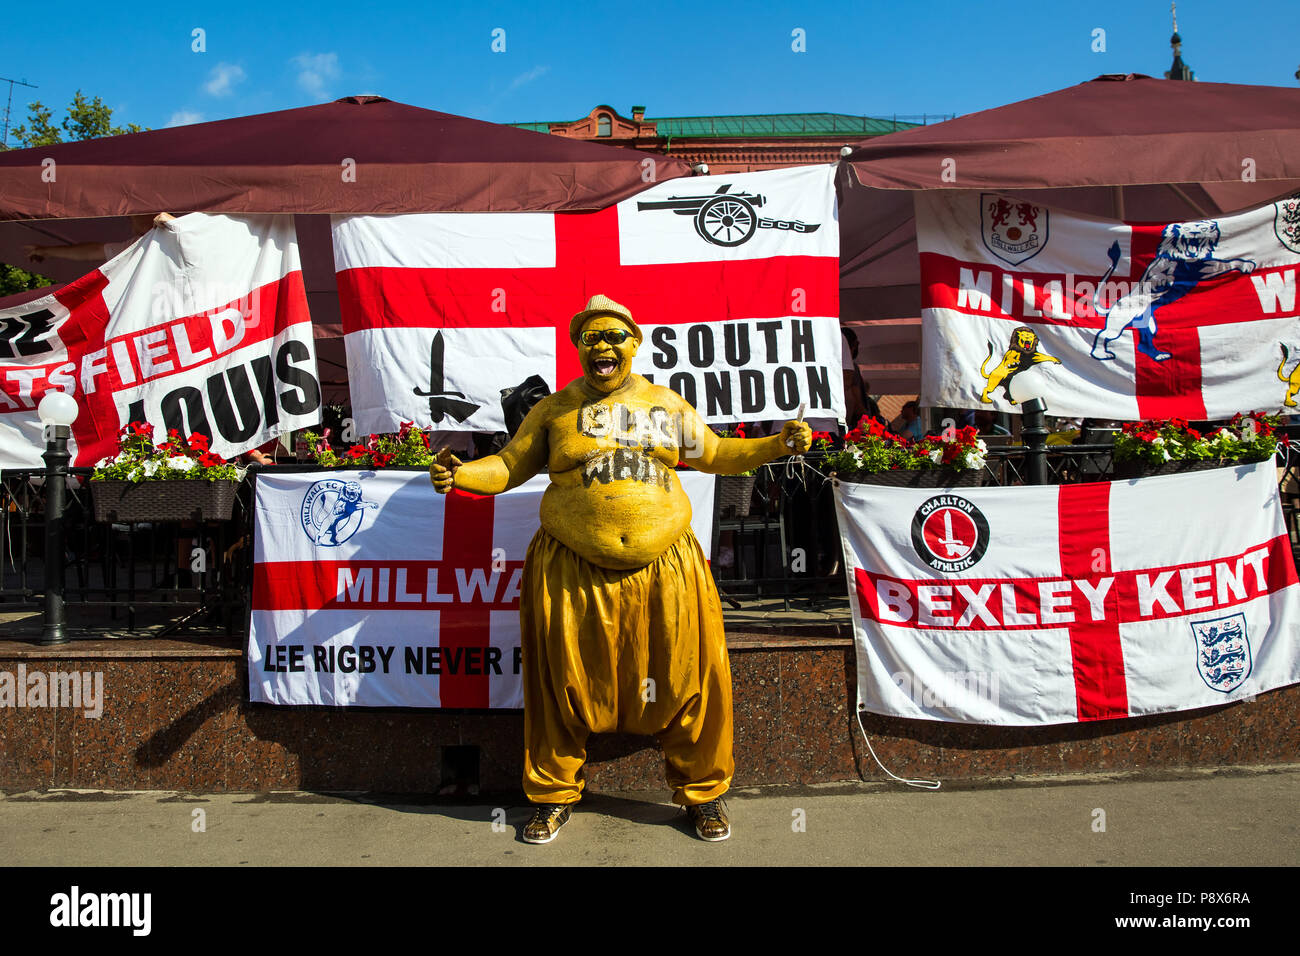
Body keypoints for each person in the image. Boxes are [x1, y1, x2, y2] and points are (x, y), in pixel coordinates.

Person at [429, 294, 811, 844]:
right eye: (591, 338)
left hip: (666, 565)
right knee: (561, 682)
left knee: (686, 678)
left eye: (613, 337)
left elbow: (717, 454)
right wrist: (462, 476)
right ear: (579, 348)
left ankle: (703, 792)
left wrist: (776, 443)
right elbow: (510, 466)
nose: (602, 346)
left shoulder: (667, 404)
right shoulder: (554, 410)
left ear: (634, 343)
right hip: (570, 566)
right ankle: (553, 794)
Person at [25, 212, 176, 263]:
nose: (131, 218)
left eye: (135, 212)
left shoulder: (181, 228)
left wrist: (176, 226)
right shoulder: (136, 245)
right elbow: (92, 252)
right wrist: (45, 251)